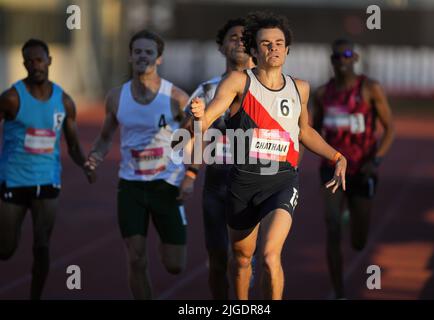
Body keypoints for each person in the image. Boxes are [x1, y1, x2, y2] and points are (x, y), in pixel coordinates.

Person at [190, 12, 347, 300]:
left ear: (287, 49)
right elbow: (209, 117)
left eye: (278, 43)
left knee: (270, 256)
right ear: (253, 50)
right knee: (240, 260)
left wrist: (337, 156)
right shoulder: (238, 82)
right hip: (242, 184)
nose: (273, 48)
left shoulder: (300, 88)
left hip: (281, 182)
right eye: (265, 44)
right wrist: (199, 117)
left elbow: (305, 131)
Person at [84, 30, 190, 300]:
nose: (143, 56)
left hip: (167, 186)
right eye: (138, 52)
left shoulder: (176, 98)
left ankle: (164, 237)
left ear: (159, 58)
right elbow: (106, 137)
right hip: (131, 186)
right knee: (136, 259)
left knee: (175, 265)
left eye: (149, 52)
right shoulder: (116, 97)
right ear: (130, 56)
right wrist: (95, 155)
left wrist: (189, 172)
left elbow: (195, 136)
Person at [0, 39, 94, 299]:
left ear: (49, 60)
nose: (35, 65)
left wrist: (85, 164)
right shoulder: (10, 98)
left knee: (41, 245)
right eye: (29, 61)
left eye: (39, 60)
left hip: (47, 180)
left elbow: (73, 144)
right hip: (13, 180)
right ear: (24, 64)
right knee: (5, 250)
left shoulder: (64, 101)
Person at [313, 38, 395, 299]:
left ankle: (351, 215)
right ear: (332, 62)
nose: (342, 61)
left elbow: (390, 128)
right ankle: (339, 292)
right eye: (336, 57)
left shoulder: (370, 89)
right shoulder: (322, 94)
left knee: (359, 243)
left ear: (356, 58)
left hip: (362, 169)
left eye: (346, 55)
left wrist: (377, 159)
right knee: (332, 224)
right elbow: (314, 132)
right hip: (333, 168)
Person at [179, 17, 255, 299]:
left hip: (254, 181)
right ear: (221, 48)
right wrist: (190, 173)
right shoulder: (206, 89)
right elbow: (187, 136)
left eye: (245, 38)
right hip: (216, 183)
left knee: (245, 258)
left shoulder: (265, 90)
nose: (238, 42)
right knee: (218, 260)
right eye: (232, 37)